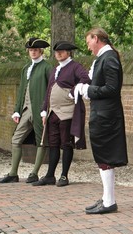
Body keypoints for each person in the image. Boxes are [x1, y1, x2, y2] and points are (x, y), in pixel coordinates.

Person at [80, 28, 128, 214]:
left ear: (97, 38)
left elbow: (112, 88)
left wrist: (88, 90)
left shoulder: (108, 58)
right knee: (102, 156)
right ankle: (107, 198)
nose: (88, 46)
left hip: (107, 116)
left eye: (88, 42)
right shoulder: (103, 58)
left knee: (105, 156)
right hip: (103, 114)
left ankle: (109, 202)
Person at [32, 41, 90, 187]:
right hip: (53, 113)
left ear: (68, 53)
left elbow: (86, 79)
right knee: (53, 145)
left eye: (62, 51)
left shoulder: (75, 67)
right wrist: (44, 110)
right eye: (57, 52)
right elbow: (49, 91)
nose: (58, 54)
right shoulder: (55, 69)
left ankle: (64, 176)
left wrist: (73, 91)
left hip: (67, 113)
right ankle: (50, 175)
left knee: (66, 144)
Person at [0, 38, 52, 184]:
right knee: (16, 139)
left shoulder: (47, 67)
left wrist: (45, 109)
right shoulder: (26, 68)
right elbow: (22, 90)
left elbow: (50, 90)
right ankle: (13, 173)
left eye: (35, 50)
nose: (33, 52)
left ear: (41, 51)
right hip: (26, 110)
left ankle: (34, 173)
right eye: (31, 50)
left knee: (41, 140)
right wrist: (17, 110)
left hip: (40, 110)